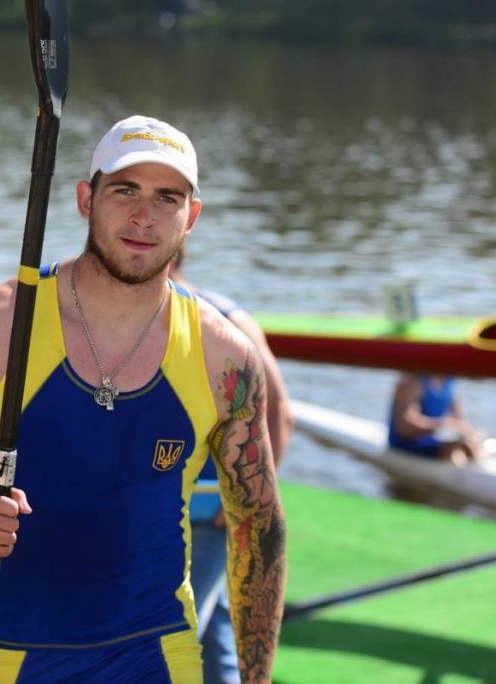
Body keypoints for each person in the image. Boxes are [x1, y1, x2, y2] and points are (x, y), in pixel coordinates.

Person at [0, 115, 286, 682]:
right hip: (16, 654)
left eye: (167, 198)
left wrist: (256, 679)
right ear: (85, 199)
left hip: (158, 655)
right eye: (125, 191)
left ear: (191, 217)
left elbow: (259, 526)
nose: (144, 217)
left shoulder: (225, 357)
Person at [170, 250, 294, 684]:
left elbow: (280, 412)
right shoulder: (150, 316)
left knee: (180, 632)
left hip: (210, 510)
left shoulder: (224, 320)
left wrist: (246, 497)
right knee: (215, 625)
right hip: (173, 502)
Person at [389, 373, 482, 466]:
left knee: (470, 442)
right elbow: (404, 429)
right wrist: (444, 425)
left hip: (433, 440)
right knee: (451, 447)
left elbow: (460, 420)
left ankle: (476, 467)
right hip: (407, 444)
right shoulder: (412, 380)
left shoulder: (450, 380)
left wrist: (468, 434)